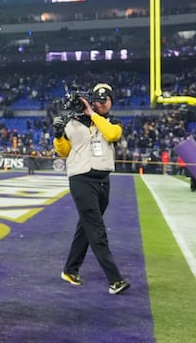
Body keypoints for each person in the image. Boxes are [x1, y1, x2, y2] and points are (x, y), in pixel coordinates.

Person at [53, 83, 130, 295]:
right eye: (97, 100)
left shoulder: (112, 122)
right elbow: (64, 151)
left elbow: (112, 134)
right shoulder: (73, 122)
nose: (101, 104)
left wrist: (92, 114)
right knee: (96, 229)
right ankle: (115, 279)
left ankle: (70, 270)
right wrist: (59, 135)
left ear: (111, 101)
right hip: (81, 180)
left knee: (86, 227)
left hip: (103, 181)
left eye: (105, 100)